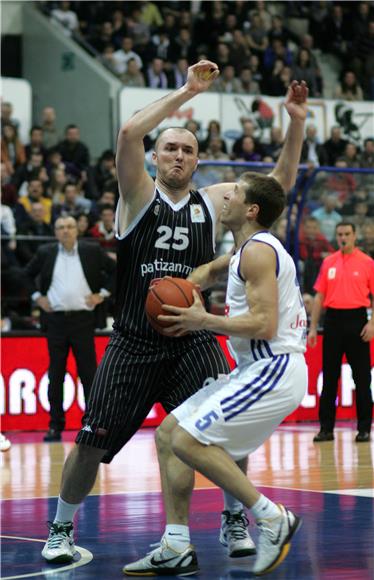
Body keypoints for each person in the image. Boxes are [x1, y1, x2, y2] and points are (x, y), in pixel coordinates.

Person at [40, 60, 307, 566]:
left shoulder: (213, 202)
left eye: (187, 149)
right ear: (156, 157)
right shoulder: (137, 193)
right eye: (170, 148)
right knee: (90, 443)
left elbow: (275, 189)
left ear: (197, 160)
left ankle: (229, 519)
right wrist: (187, 91)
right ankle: (59, 528)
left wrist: (295, 124)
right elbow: (126, 131)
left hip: (194, 337)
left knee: (221, 430)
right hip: (135, 341)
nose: (179, 155)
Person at [124, 169, 308, 576]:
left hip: (273, 368)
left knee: (189, 441)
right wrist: (183, 286)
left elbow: (263, 324)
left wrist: (199, 319)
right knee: (170, 433)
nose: (226, 198)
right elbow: (209, 271)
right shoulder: (246, 250)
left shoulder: (260, 251)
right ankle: (175, 544)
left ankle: (271, 516)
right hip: (255, 369)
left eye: (236, 194)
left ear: (251, 210)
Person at [25, 215, 115, 442]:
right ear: (55, 232)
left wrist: (101, 295)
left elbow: (116, 272)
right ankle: (55, 426)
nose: (65, 231)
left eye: (70, 227)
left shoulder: (91, 250)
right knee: (56, 375)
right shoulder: (46, 252)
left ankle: (92, 425)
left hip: (83, 321)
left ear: (77, 230)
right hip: (55, 321)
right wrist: (37, 297)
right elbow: (24, 275)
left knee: (89, 374)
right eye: (61, 228)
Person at [308, 222, 374, 443]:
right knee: (329, 378)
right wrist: (312, 328)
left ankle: (364, 428)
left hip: (357, 321)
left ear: (355, 235)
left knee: (362, 378)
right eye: (340, 234)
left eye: (347, 234)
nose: (343, 237)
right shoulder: (329, 262)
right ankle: (326, 429)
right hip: (333, 321)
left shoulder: (367, 263)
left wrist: (372, 323)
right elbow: (319, 297)